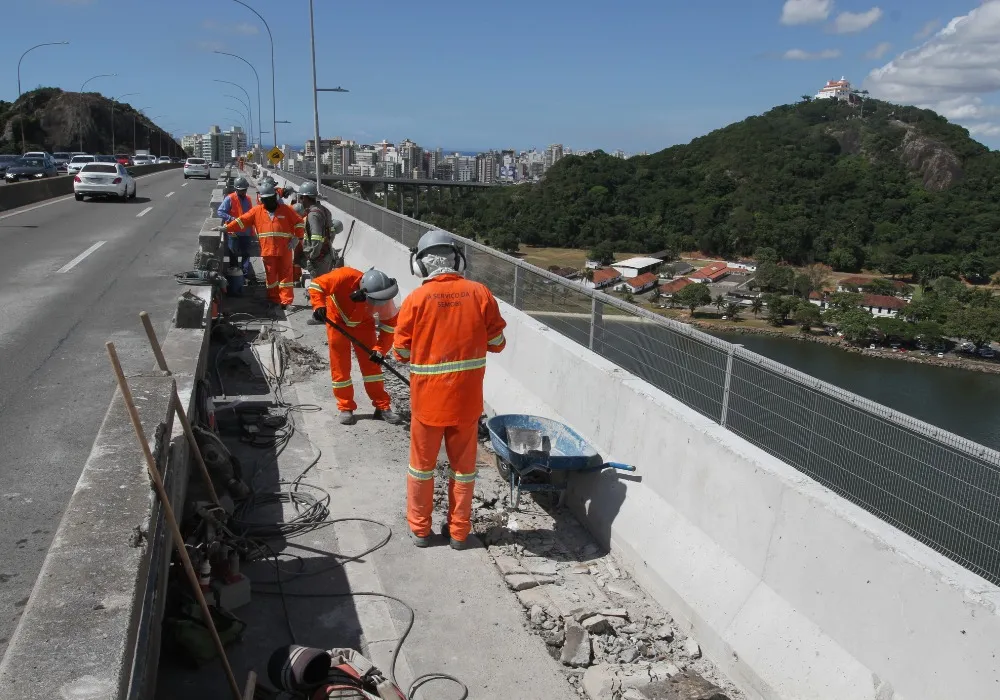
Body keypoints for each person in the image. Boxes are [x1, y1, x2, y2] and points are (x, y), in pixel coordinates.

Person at [392, 230, 507, 549]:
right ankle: (459, 533)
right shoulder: (480, 293)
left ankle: (421, 530)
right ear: (457, 261)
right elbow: (497, 343)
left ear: (421, 266)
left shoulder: (415, 299)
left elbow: (400, 353)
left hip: (428, 406)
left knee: (421, 469)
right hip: (466, 406)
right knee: (464, 470)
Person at [308, 267, 405, 426]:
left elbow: (389, 327)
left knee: (372, 367)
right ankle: (345, 407)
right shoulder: (343, 276)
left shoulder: (383, 297)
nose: (379, 305)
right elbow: (317, 285)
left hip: (364, 324)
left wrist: (380, 350)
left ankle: (382, 407)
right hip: (337, 320)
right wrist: (318, 306)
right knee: (340, 365)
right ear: (361, 293)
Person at [222, 181, 304, 311]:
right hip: (267, 250)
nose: (266, 202)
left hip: (285, 250)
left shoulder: (286, 210)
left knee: (286, 277)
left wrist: (297, 238)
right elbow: (242, 221)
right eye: (264, 200)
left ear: (274, 198)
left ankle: (286, 301)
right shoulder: (257, 211)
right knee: (271, 277)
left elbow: (299, 222)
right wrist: (226, 228)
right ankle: (273, 299)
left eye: (269, 199)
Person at [297, 181, 343, 299]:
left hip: (318, 258)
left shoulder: (313, 215)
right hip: (326, 254)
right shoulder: (324, 210)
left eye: (301, 197)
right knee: (323, 286)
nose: (300, 200)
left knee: (317, 288)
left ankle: (318, 314)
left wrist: (312, 257)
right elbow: (331, 233)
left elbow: (316, 239)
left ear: (306, 198)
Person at [217, 176, 256, 282]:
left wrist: (253, 229)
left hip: (246, 232)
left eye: (245, 190)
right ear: (236, 189)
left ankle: (245, 275)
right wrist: (231, 218)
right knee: (233, 253)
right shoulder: (230, 198)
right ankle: (234, 275)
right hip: (233, 232)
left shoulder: (248, 199)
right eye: (242, 190)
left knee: (246, 254)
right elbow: (220, 211)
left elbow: (251, 214)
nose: (244, 192)